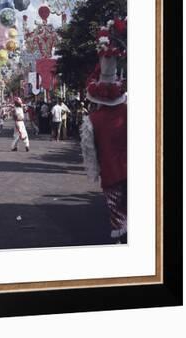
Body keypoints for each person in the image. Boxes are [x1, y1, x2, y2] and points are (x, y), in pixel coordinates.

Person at [80, 29, 127, 242]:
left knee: (117, 214)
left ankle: (120, 245)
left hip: (110, 174)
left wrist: (94, 172)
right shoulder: (131, 111)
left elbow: (89, 153)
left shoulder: (92, 120)